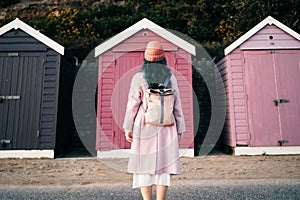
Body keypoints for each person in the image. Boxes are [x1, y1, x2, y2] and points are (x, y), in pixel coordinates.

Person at [123, 41, 186, 200]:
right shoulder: (171, 78)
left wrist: (127, 127)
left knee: (144, 166)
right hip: (167, 126)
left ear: (145, 59)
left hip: (144, 126)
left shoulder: (139, 77)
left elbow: (132, 104)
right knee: (164, 166)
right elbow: (177, 106)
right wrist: (180, 129)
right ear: (163, 59)